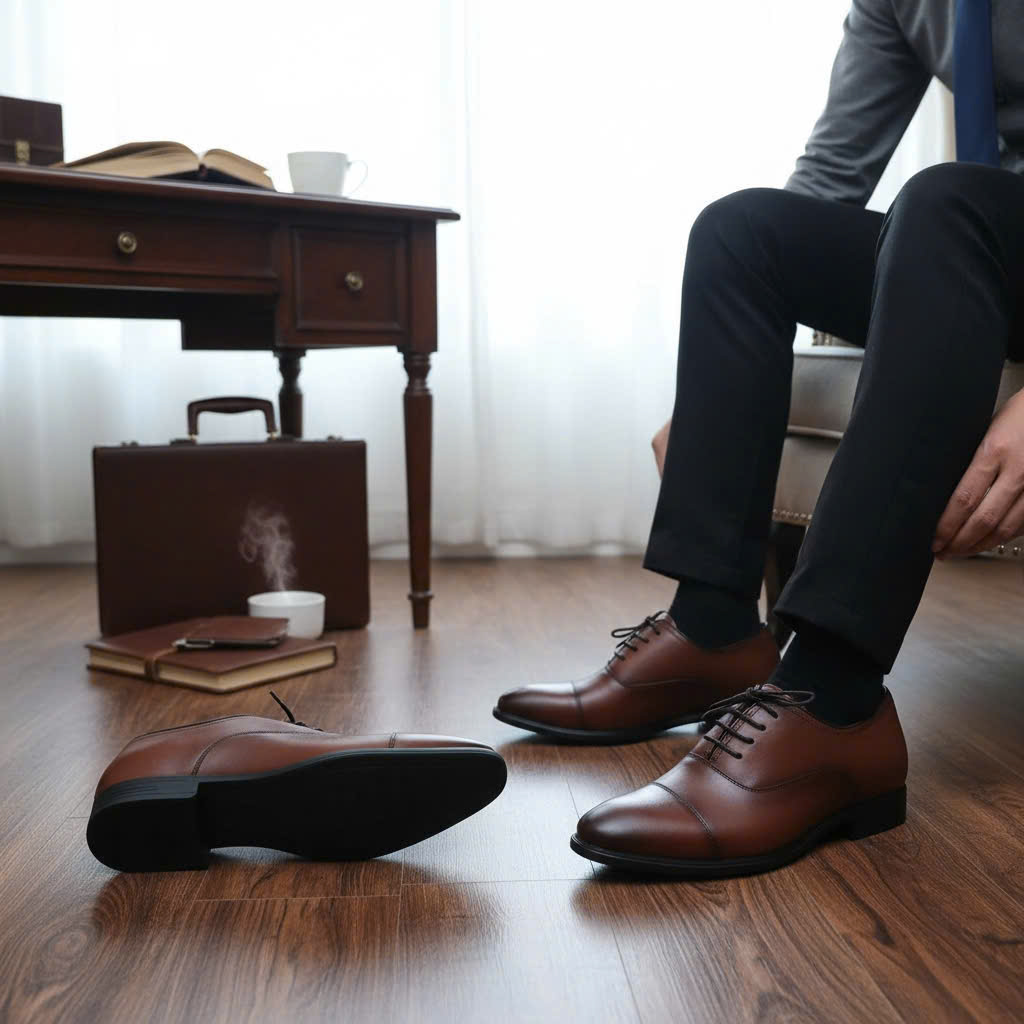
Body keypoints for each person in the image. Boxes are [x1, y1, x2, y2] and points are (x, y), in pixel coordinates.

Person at [495, 0, 1024, 878]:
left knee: (944, 202)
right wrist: (714, 398)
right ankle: (711, 631)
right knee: (743, 230)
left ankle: (833, 699)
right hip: (991, 248)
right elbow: (831, 174)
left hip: (983, 229)